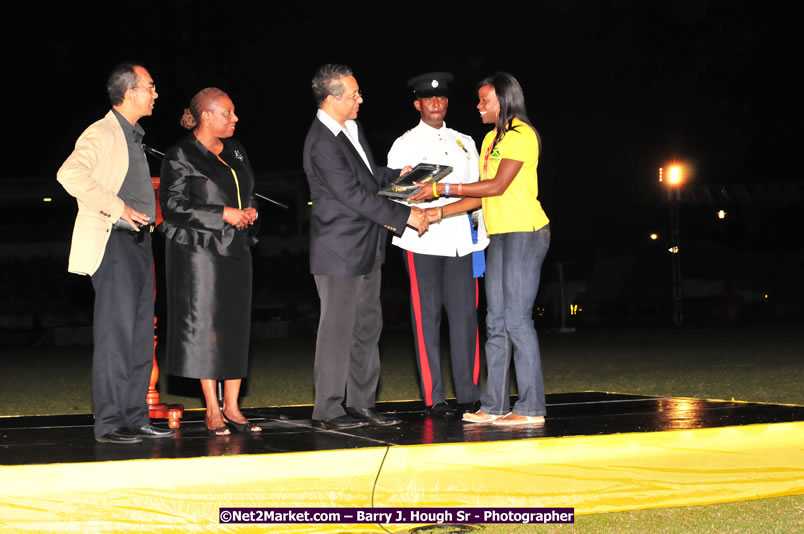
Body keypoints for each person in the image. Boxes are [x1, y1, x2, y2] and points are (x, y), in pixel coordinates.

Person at [410, 72, 550, 426]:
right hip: (498, 235)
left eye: (484, 100)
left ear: (503, 100)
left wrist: (441, 190)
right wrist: (438, 211)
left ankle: (532, 408)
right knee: (495, 322)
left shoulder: (523, 136)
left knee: (517, 320)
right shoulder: (489, 139)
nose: (478, 106)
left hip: (526, 232)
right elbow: (477, 194)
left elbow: (497, 185)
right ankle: (494, 405)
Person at [303, 64, 429, 430]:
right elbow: (354, 195)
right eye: (353, 94)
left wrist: (399, 176)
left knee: (366, 329)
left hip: (367, 247)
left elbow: (368, 176)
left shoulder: (350, 130)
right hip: (338, 252)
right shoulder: (321, 142)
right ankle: (328, 409)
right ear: (331, 99)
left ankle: (361, 403)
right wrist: (406, 217)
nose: (360, 98)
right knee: (337, 331)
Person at [57, 62, 175, 443]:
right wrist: (117, 206)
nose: (156, 94)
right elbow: (69, 174)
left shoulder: (135, 137)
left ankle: (135, 417)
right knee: (116, 335)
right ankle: (109, 423)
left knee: (141, 335)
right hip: (113, 243)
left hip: (140, 244)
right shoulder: (103, 132)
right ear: (130, 92)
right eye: (151, 87)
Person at [159, 88, 261, 437]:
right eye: (227, 113)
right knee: (207, 328)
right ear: (206, 116)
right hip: (199, 253)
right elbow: (173, 206)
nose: (235, 119)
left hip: (237, 248)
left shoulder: (235, 149)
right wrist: (223, 214)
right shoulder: (181, 154)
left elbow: (246, 191)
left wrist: (249, 212)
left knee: (236, 325)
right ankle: (212, 409)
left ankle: (233, 406)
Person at [387, 72, 487, 418]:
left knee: (465, 319)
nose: (435, 103)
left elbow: (477, 193)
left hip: (461, 239)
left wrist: (449, 214)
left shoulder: (465, 141)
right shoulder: (404, 144)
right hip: (421, 240)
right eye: (428, 99)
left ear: (446, 102)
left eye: (441, 98)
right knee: (426, 319)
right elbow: (394, 195)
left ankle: (469, 395)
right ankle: (434, 397)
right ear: (417, 104)